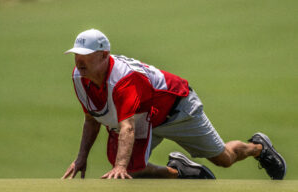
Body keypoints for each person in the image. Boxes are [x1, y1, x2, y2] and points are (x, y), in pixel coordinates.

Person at [62, 29, 286, 180]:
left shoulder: (124, 79)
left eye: (86, 55)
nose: (79, 60)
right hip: (146, 115)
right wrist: (82, 158)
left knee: (224, 159)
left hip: (179, 109)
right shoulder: (80, 78)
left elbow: (127, 127)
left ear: (104, 56)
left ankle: (258, 147)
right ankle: (180, 171)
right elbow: (91, 119)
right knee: (133, 170)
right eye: (76, 55)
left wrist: (120, 167)